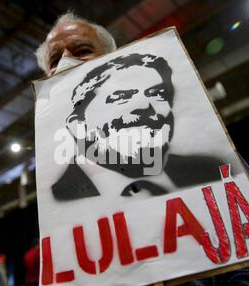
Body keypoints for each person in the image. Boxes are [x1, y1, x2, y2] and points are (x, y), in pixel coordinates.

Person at [34, 12, 249, 286]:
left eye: (82, 50)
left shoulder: (203, 155)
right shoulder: (60, 197)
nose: (67, 64)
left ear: (114, 58)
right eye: (54, 60)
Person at [51, 52, 229, 201]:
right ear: (76, 124)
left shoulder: (211, 170)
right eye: (121, 96)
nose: (145, 105)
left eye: (158, 93)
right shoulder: (56, 203)